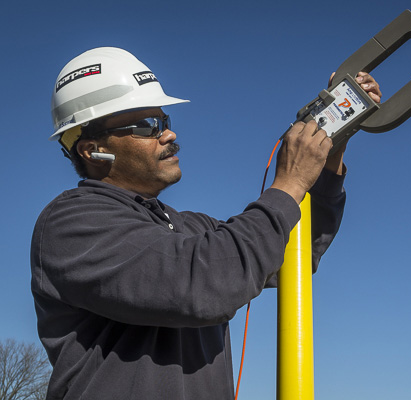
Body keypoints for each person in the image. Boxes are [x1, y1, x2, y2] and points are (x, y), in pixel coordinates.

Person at [31, 47, 381, 399]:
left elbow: (294, 252)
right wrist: (287, 184)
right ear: (91, 150)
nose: (167, 135)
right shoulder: (71, 223)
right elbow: (201, 286)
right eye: (147, 126)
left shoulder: (188, 228)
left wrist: (330, 151)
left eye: (164, 122)